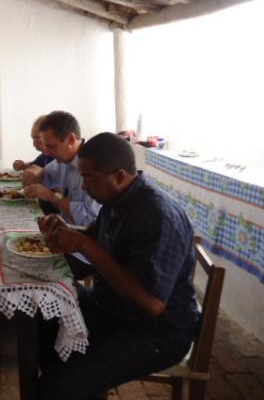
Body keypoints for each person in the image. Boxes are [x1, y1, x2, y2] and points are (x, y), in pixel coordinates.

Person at [37, 132, 199, 400]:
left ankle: (70, 380)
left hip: (157, 331)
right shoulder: (116, 200)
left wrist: (85, 245)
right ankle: (71, 374)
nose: (84, 187)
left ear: (120, 176)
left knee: (60, 388)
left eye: (90, 178)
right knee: (45, 307)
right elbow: (96, 236)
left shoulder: (156, 215)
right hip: (113, 305)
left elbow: (152, 303)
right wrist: (69, 230)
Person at [23, 111, 100, 227]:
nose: (47, 153)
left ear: (71, 140)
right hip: (64, 228)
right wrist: (38, 173)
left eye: (51, 146)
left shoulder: (96, 165)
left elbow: (88, 220)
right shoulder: (63, 160)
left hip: (84, 237)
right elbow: (46, 174)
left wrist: (52, 197)